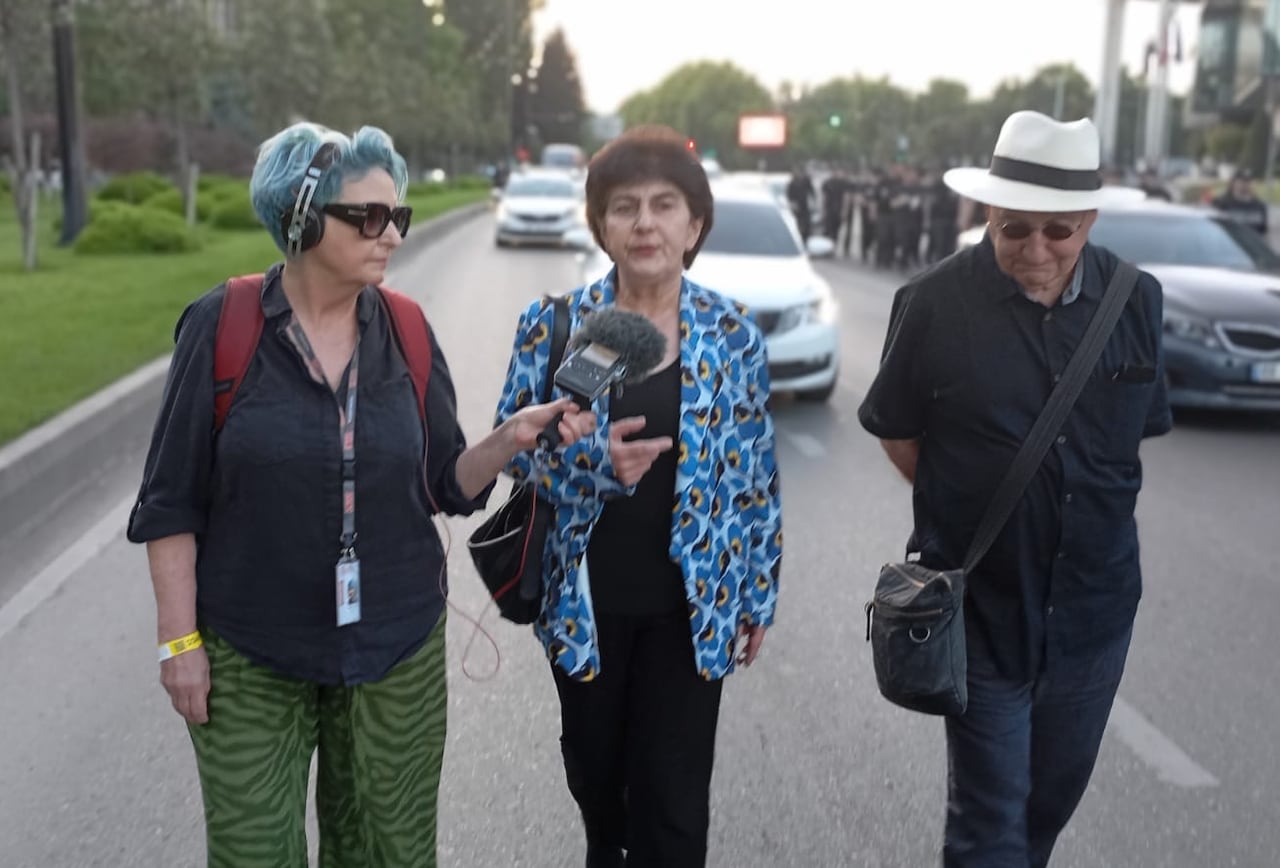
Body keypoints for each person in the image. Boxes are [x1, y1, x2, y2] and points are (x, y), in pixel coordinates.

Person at [126, 121, 594, 868]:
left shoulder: (405, 329)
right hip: (251, 650)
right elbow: (169, 502)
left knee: (389, 852)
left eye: (398, 217)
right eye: (368, 217)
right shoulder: (224, 326)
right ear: (301, 219)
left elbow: (445, 483)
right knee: (255, 853)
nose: (391, 235)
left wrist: (507, 439)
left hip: (394, 648)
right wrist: (179, 643)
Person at [858, 110, 1172, 868]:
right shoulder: (932, 303)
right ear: (987, 216)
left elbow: (1136, 436)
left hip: (1095, 613)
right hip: (983, 613)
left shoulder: (1137, 300)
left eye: (1058, 232)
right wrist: (961, 503)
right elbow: (897, 429)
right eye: (1014, 229)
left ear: (1089, 221)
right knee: (988, 827)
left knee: (1044, 811)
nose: (1035, 249)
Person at [493, 124, 783, 868]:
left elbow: (754, 474)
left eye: (664, 206)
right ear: (600, 225)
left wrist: (758, 594)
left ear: (695, 226)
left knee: (675, 808)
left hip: (693, 606)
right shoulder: (555, 325)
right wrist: (591, 465)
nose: (645, 223)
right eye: (624, 207)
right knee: (600, 789)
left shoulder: (733, 333)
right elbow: (513, 457)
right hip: (586, 602)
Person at [1211, 168, 1268, 236]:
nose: (1246, 184)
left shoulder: (1260, 206)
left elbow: (1263, 233)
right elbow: (1214, 230)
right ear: (1233, 182)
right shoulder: (1221, 203)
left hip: (1251, 245)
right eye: (1242, 181)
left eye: (1248, 181)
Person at [786, 163, 816, 241]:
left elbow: (812, 192)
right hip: (796, 207)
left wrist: (813, 202)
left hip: (805, 206)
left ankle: (806, 237)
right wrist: (793, 205)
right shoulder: (792, 183)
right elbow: (789, 196)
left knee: (806, 225)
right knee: (796, 224)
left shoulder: (806, 181)